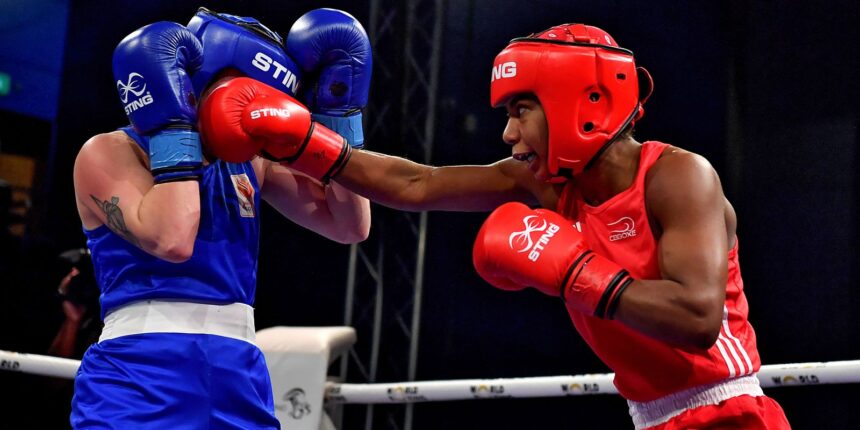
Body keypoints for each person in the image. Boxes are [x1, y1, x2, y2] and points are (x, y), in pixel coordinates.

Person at [199, 23, 790, 429]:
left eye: (519, 110)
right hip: (650, 415)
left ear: (576, 101)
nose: (507, 134)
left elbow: (697, 318)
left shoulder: (678, 176)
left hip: (731, 415)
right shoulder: (545, 184)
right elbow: (418, 184)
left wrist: (578, 274)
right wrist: (304, 142)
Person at [71, 7, 371, 428]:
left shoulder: (253, 164)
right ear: (194, 80)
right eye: (244, 94)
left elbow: (350, 225)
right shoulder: (109, 152)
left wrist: (340, 120)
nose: (252, 110)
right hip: (142, 371)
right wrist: (178, 128)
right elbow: (172, 239)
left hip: (239, 374)